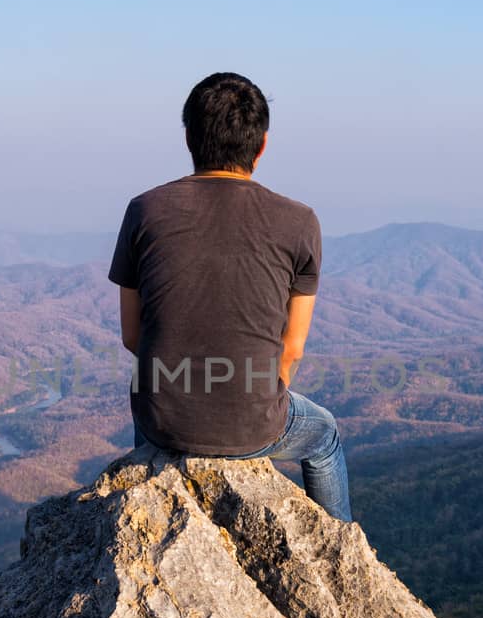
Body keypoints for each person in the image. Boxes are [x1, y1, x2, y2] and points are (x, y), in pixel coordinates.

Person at [107, 72, 353, 522]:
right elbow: (291, 348)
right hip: (254, 423)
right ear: (261, 146)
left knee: (148, 393)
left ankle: (158, 494)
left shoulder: (144, 211)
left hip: (162, 421)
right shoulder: (300, 222)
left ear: (188, 138)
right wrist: (250, 405)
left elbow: (132, 336)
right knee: (325, 437)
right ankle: (341, 539)